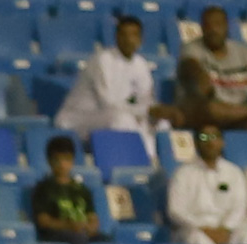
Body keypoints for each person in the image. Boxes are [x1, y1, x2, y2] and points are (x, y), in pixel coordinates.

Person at [55, 14, 185, 158]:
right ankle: (139, 160)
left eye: (134, 35)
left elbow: (145, 100)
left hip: (119, 114)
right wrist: (148, 110)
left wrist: (156, 112)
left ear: (141, 39)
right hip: (78, 119)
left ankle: (157, 162)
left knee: (162, 123)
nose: (129, 40)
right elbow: (108, 104)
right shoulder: (102, 60)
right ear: (116, 37)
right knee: (121, 119)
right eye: (124, 35)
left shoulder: (140, 63)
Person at [166, 124, 247, 244]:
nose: (210, 142)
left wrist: (225, 228)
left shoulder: (234, 172)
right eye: (204, 137)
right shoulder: (183, 173)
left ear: (222, 142)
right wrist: (204, 229)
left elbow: (240, 206)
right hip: (195, 229)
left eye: (214, 137)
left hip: (227, 229)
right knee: (199, 242)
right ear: (196, 143)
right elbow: (175, 210)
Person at [177, 4, 247, 131]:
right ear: (202, 28)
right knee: (208, 110)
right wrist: (200, 76)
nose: (213, 29)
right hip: (208, 115)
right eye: (208, 25)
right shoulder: (191, 48)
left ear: (227, 26)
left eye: (218, 24)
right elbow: (190, 66)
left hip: (242, 114)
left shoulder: (245, 52)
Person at [31, 136, 103, 244]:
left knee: (104, 240)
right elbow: (44, 221)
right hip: (56, 236)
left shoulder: (82, 189)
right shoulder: (43, 188)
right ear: (49, 161)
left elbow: (93, 217)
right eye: (57, 160)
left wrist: (90, 227)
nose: (62, 164)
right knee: (78, 238)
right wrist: (69, 226)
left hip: (82, 233)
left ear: (73, 160)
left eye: (66, 159)